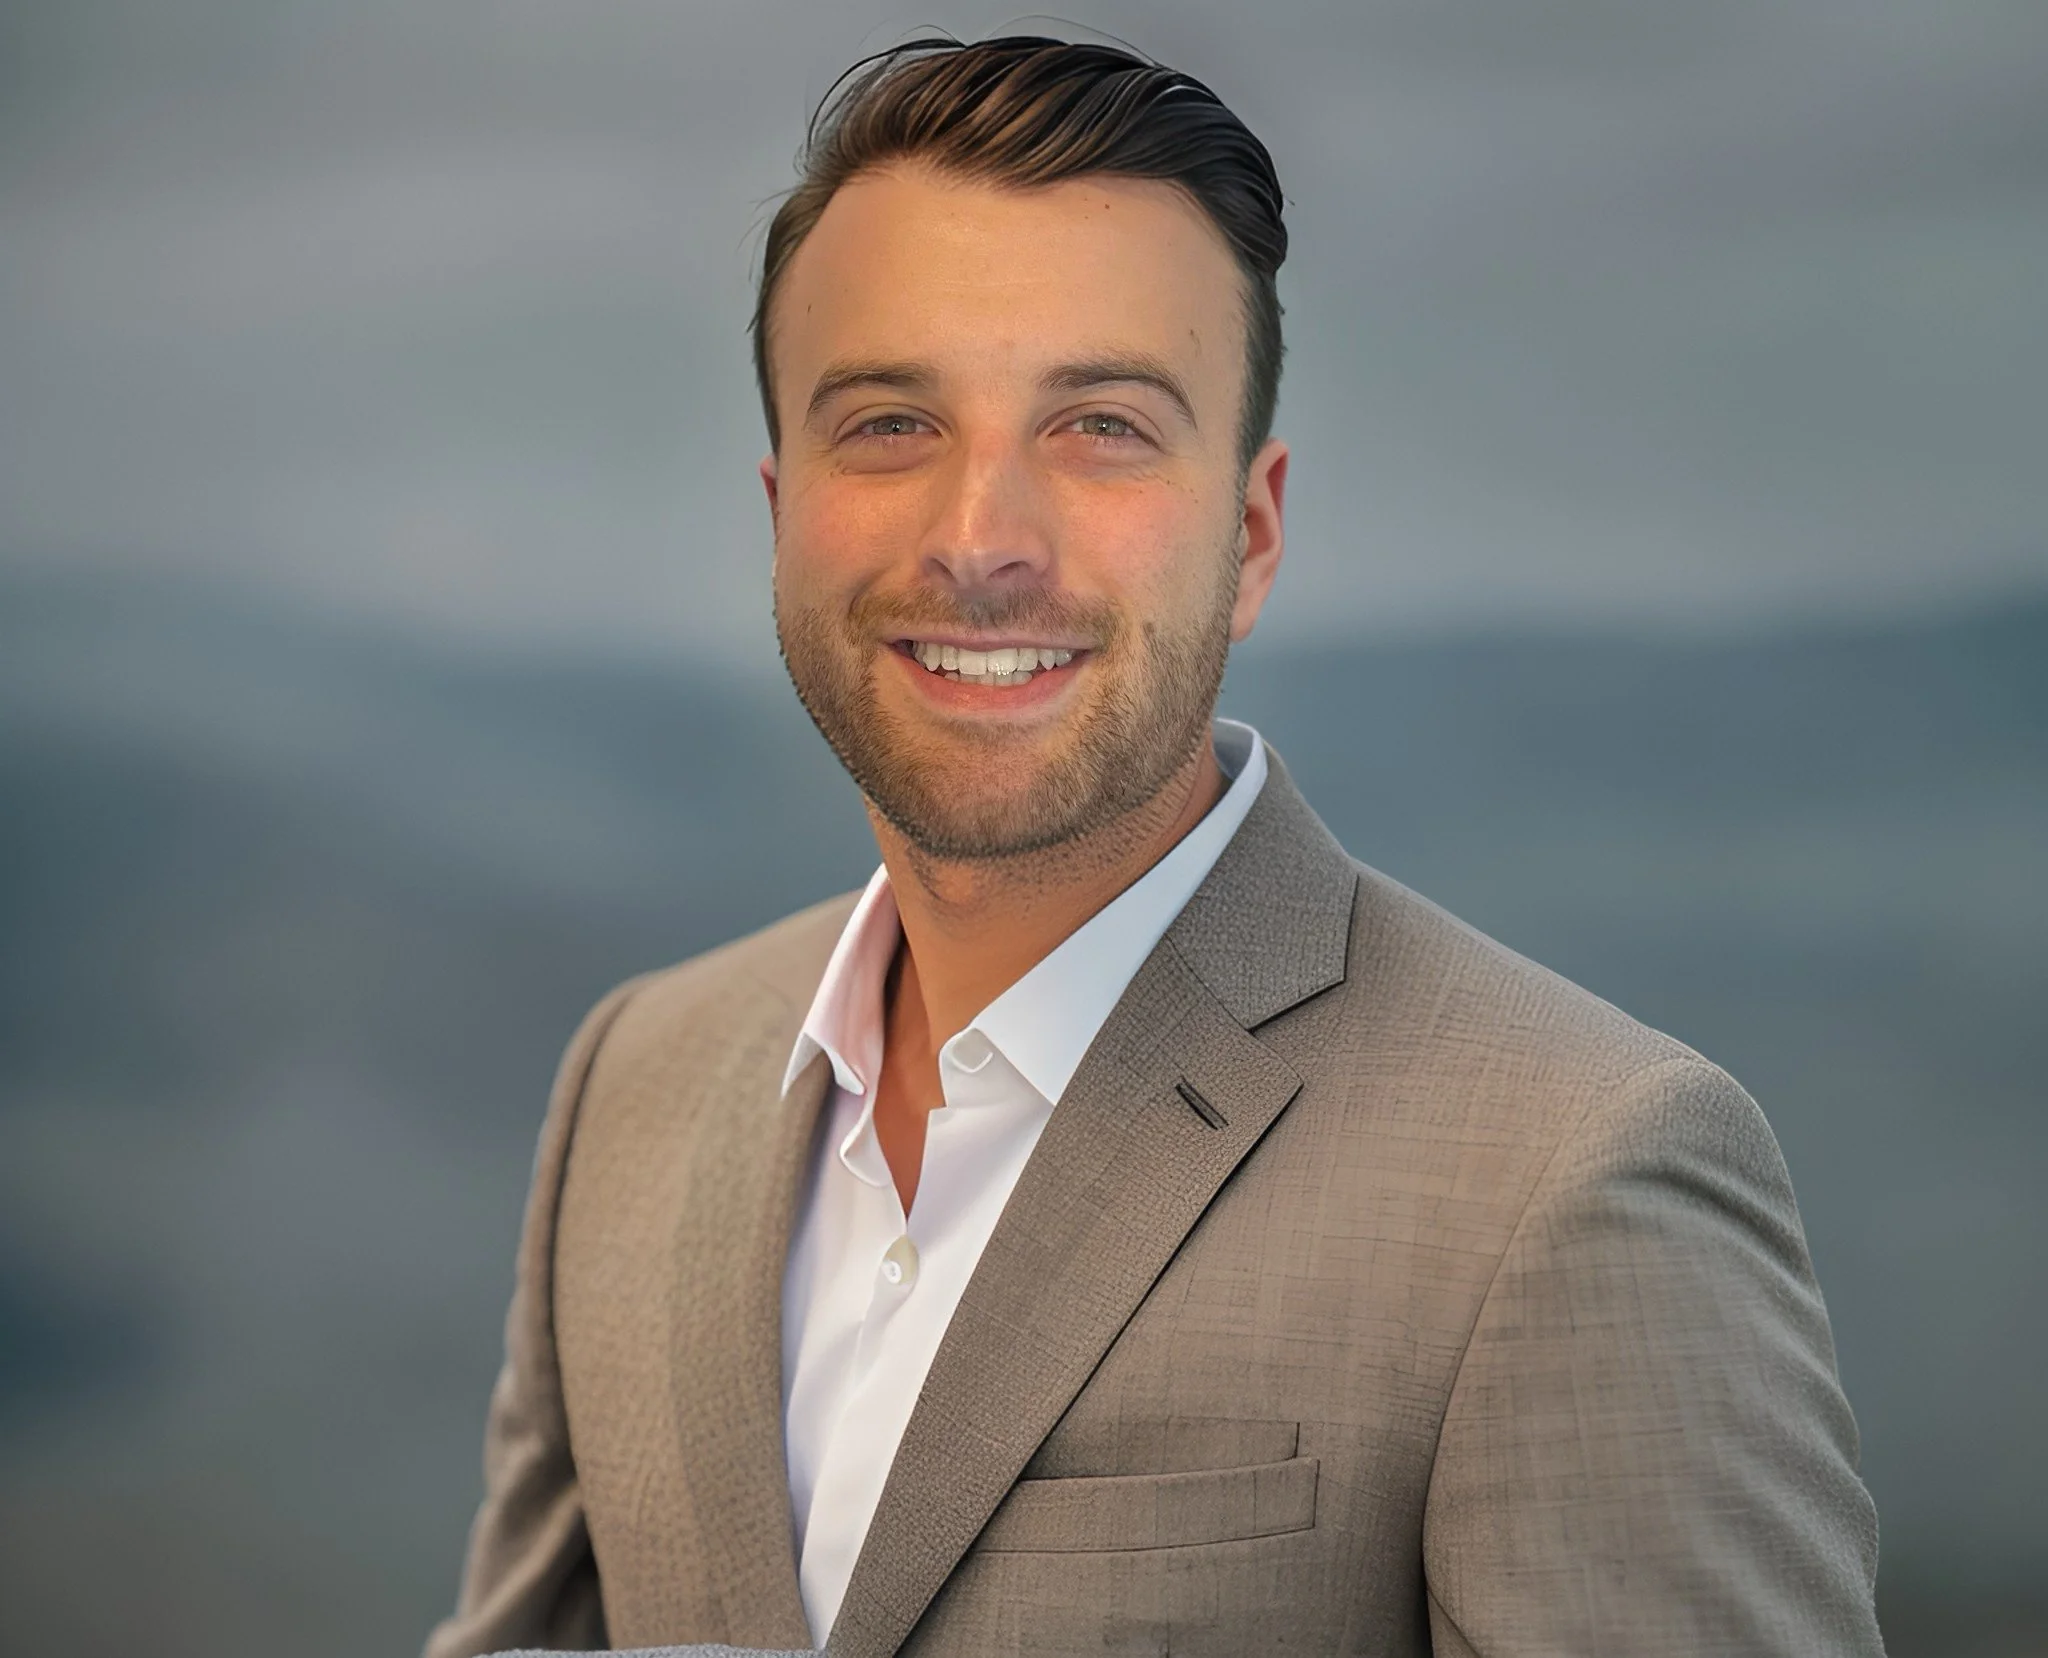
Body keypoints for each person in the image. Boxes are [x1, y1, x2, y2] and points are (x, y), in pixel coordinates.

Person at [425, 35, 1885, 1658]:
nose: (980, 539)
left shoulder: (1580, 1175)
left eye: (1103, 426)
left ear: (1249, 536)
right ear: (782, 511)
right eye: (892, 422)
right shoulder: (636, 1081)